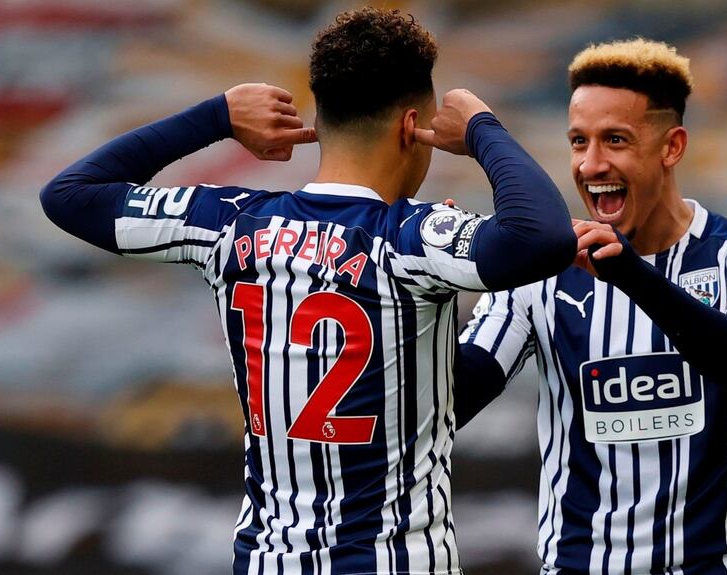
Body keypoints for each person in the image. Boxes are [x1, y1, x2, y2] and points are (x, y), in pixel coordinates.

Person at [40, 8, 576, 575]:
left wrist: (216, 117)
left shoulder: (234, 224)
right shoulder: (409, 237)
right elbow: (540, 234)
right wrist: (482, 130)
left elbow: (70, 195)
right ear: (410, 127)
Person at [456, 39, 727, 574]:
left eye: (615, 140)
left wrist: (629, 275)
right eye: (579, 142)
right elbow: (453, 399)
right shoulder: (543, 274)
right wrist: (427, 296)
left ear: (672, 146)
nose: (592, 164)